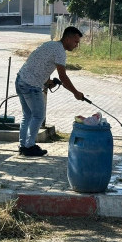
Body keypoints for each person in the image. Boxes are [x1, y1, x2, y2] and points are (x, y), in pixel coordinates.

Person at [15, 26, 84, 157]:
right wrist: (76, 92)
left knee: (28, 115)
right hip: (31, 85)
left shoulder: (50, 44)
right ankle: (29, 146)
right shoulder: (60, 51)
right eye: (76, 42)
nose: (76, 45)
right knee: (38, 116)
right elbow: (63, 77)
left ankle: (23, 146)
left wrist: (47, 81)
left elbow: (38, 64)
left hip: (20, 80)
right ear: (68, 38)